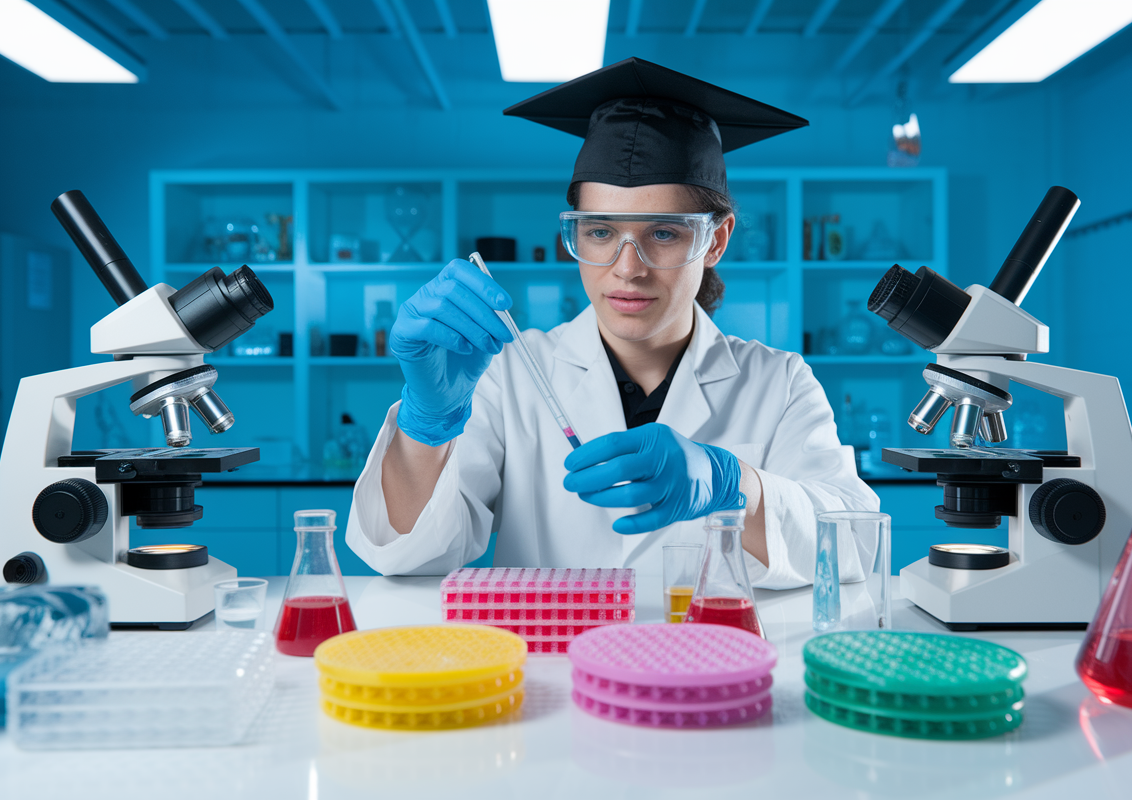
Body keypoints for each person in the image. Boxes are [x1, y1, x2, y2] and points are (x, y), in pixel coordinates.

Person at [347, 58, 879, 589]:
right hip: (554, 665)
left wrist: (733, 482)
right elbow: (407, 557)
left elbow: (855, 547)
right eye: (600, 232)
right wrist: (426, 424)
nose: (628, 268)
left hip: (711, 667)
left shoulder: (779, 381)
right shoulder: (510, 372)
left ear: (714, 241)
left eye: (664, 234)